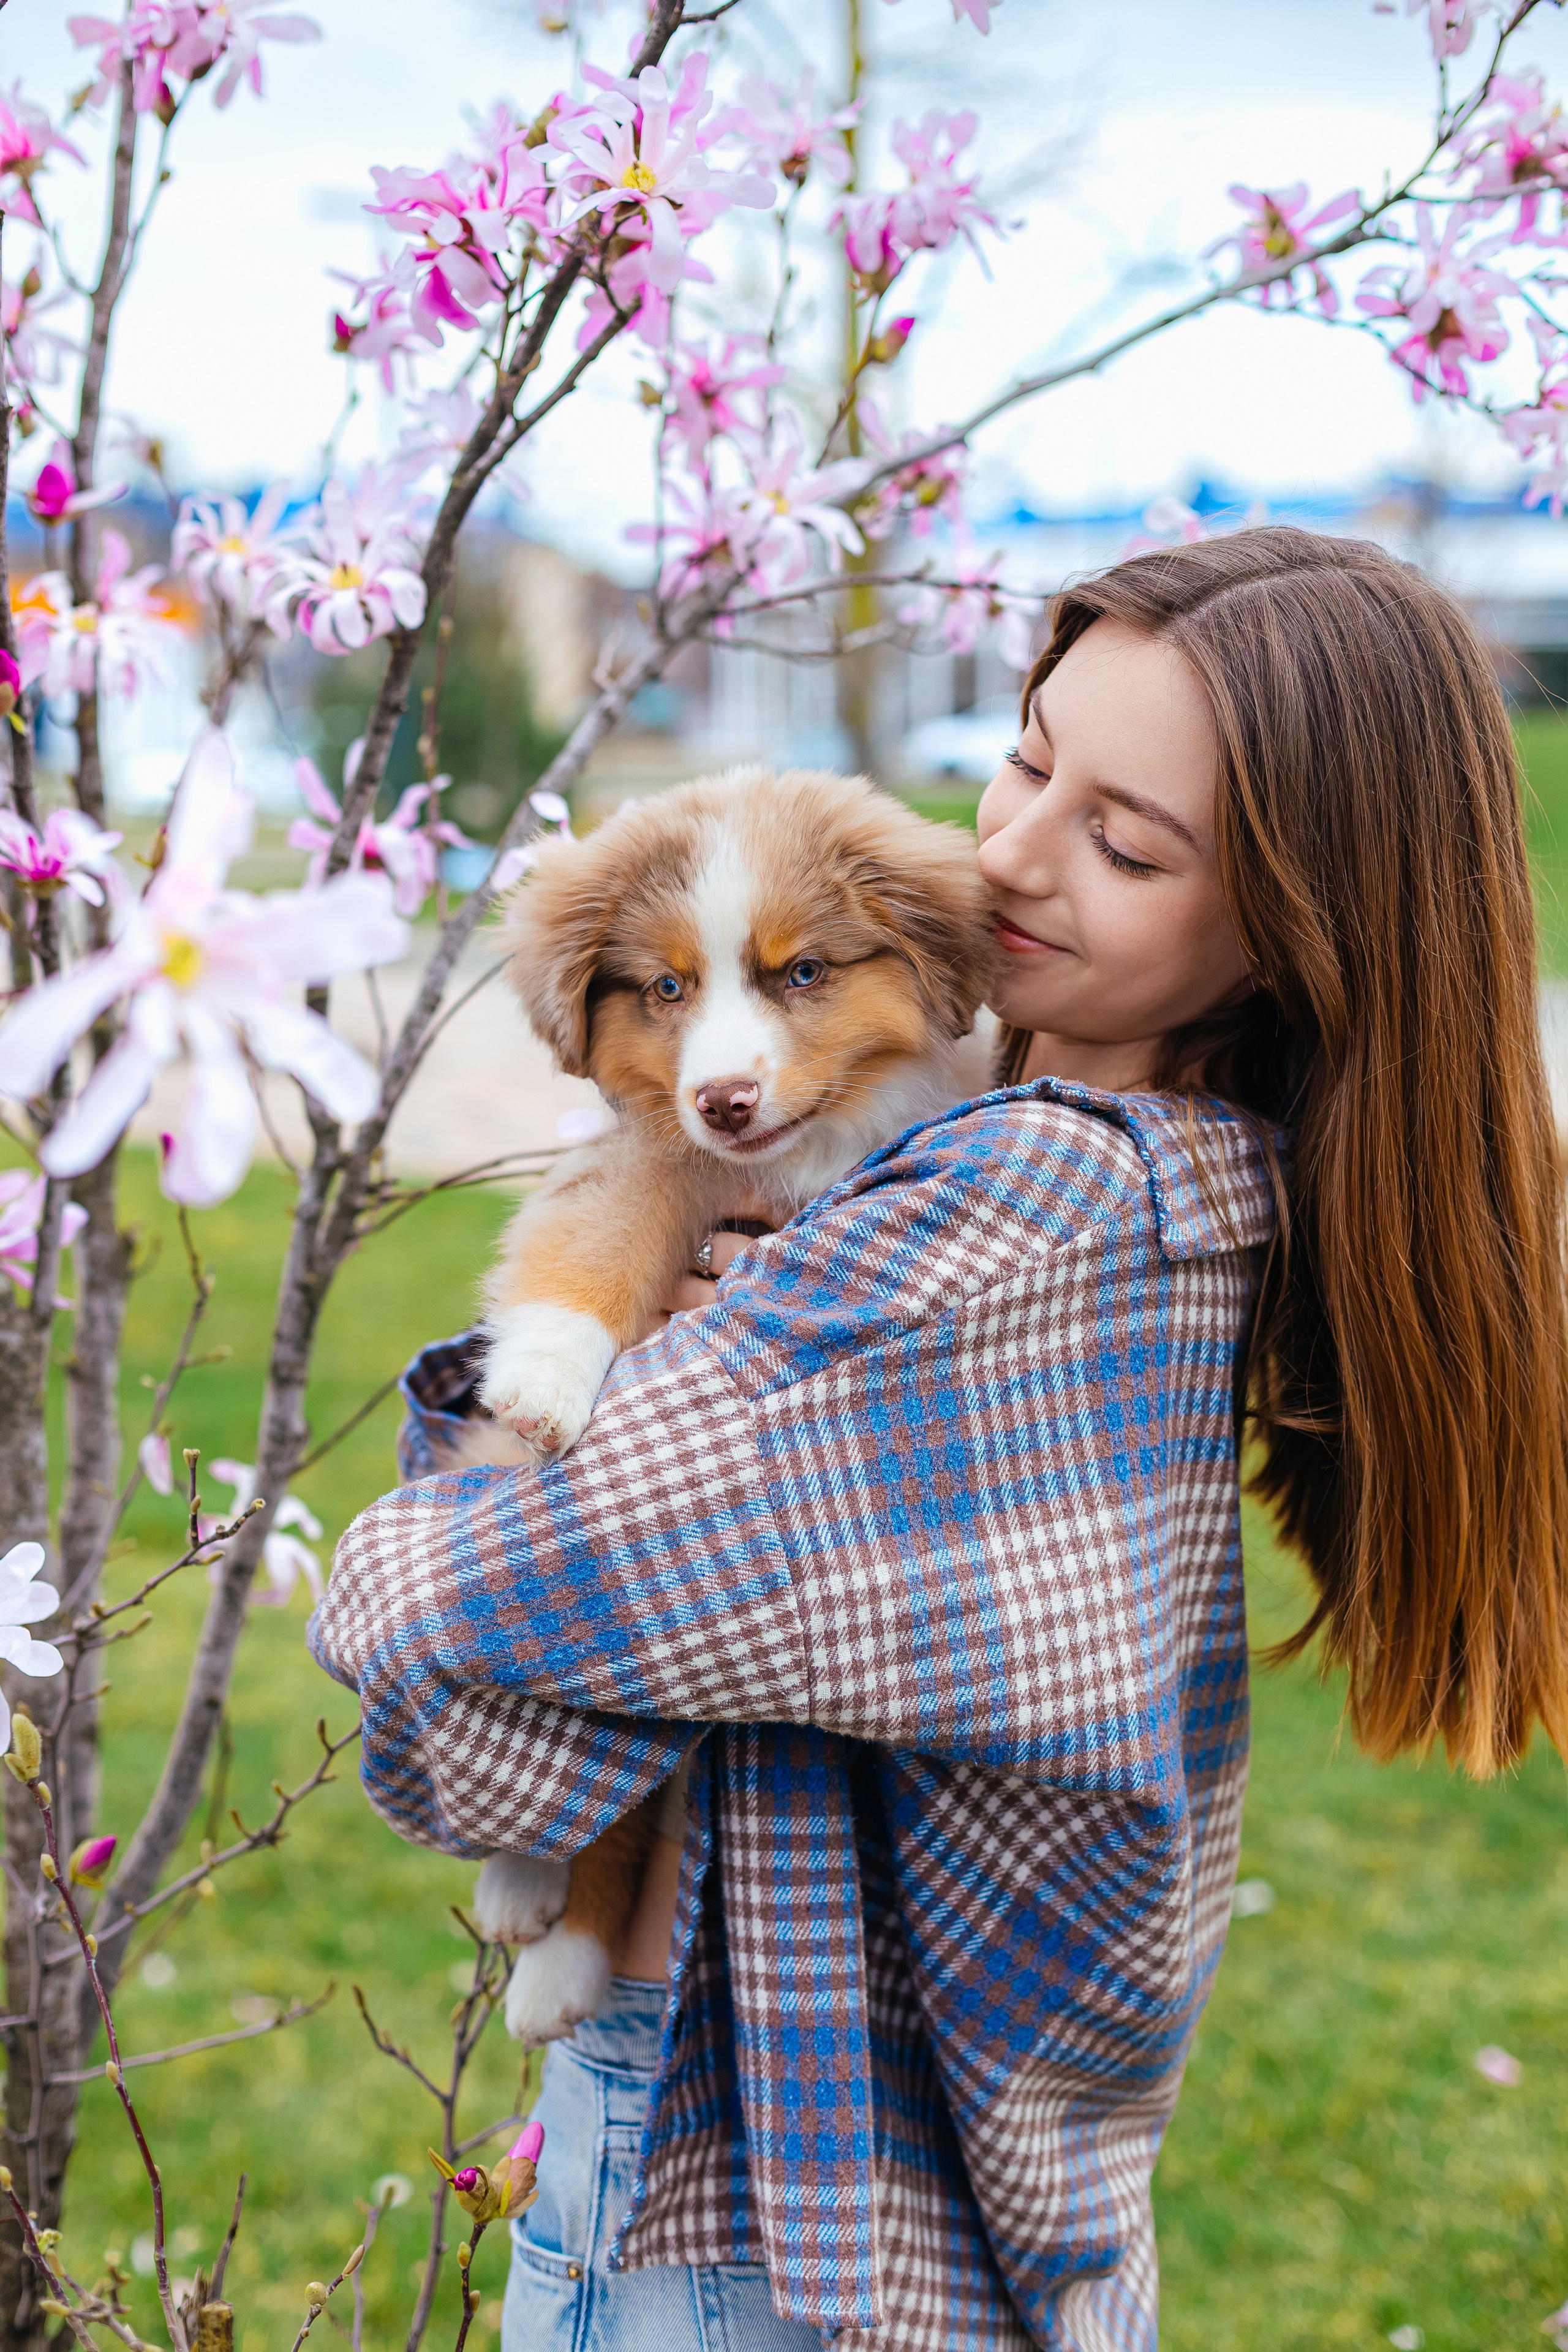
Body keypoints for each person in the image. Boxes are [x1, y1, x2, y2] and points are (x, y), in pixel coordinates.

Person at [309, 526, 1568, 2352]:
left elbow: (445, 1661)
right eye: (1029, 762)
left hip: (756, 2198)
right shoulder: (1182, 1188)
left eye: (1127, 844)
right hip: (964, 2208)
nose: (1010, 858)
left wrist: (504, 1471)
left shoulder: (1014, 1228)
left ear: (1294, 934)